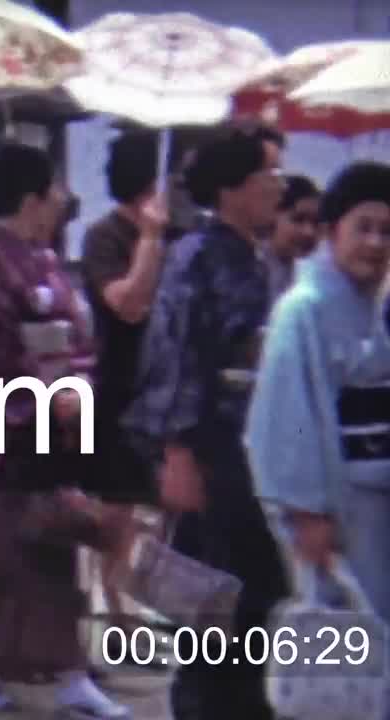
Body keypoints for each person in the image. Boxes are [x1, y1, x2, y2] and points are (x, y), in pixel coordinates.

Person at [0, 143, 129, 719]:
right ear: (31, 199)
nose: (65, 201)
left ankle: (64, 671)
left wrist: (81, 385)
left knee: (55, 549)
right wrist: (45, 395)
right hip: (9, 424)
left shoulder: (39, 257)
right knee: (1, 554)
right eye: (57, 190)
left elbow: (79, 339)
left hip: (56, 420)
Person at [123, 124, 291, 720]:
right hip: (208, 442)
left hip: (255, 443)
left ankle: (240, 703)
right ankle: (204, 706)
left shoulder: (257, 255)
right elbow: (174, 355)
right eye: (264, 176)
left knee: (256, 585)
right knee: (217, 587)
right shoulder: (194, 254)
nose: (277, 185)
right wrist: (176, 452)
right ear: (231, 189)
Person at [246, 163, 390, 718]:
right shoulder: (301, 310)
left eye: (387, 230)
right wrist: (306, 508)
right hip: (335, 502)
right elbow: (288, 416)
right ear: (334, 231)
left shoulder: (377, 306)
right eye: (364, 226)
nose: (376, 243)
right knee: (336, 649)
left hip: (378, 499)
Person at [79, 131, 170, 654]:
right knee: (113, 508)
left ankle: (123, 599)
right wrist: (150, 241)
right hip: (117, 384)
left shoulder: (173, 233)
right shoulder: (104, 237)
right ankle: (117, 610)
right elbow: (128, 303)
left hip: (159, 385)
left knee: (138, 511)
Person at [262, 174, 321, 305]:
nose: (309, 232)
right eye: (298, 219)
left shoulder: (312, 279)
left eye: (316, 223)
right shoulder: (249, 270)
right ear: (272, 216)